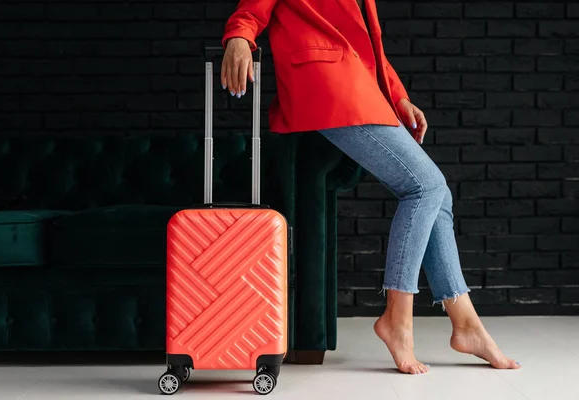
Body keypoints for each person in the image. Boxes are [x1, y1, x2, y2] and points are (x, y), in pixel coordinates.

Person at [220, 0, 521, 375]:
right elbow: (251, 10)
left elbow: (365, 42)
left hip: (359, 86)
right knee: (425, 188)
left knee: (436, 194)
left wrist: (397, 96)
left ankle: (466, 324)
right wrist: (238, 38)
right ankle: (397, 318)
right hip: (327, 85)